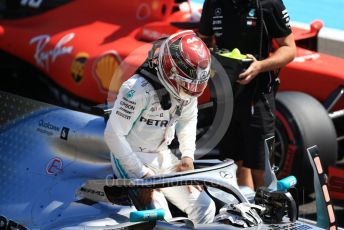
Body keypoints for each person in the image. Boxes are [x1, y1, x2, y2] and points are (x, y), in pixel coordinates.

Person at [104, 30, 215, 224]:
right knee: (163, 220)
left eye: (198, 84)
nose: (193, 90)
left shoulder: (187, 87)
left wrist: (188, 157)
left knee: (206, 206)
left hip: (162, 154)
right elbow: (113, 134)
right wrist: (142, 175)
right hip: (132, 156)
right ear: (170, 70)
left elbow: (188, 119)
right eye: (188, 84)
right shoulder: (136, 89)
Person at [198, 0, 296, 190]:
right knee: (233, 163)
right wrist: (209, 58)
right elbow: (203, 39)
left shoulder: (270, 3)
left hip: (258, 96)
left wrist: (260, 66)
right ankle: (245, 211)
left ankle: (268, 213)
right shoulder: (213, 2)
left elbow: (289, 48)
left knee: (261, 168)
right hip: (225, 95)